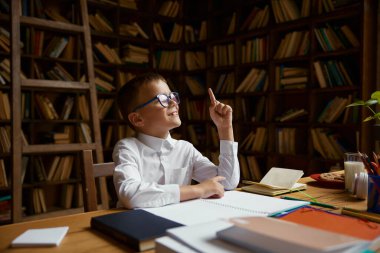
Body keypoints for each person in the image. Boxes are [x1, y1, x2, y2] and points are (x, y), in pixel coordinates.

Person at [113, 72, 240, 209]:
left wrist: (225, 128)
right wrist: (199, 190)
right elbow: (130, 195)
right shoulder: (127, 148)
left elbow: (227, 183)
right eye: (162, 99)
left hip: (178, 219)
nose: (173, 102)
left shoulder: (185, 149)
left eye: (172, 96)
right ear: (137, 119)